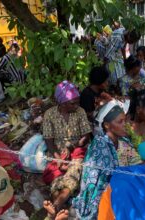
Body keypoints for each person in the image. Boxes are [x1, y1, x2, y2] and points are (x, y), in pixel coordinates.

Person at [42, 81, 91, 216]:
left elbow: (86, 135)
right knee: (55, 177)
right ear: (62, 103)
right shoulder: (49, 114)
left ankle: (56, 206)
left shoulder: (80, 112)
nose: (77, 105)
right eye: (73, 103)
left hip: (77, 150)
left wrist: (72, 147)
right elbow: (48, 140)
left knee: (74, 171)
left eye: (77, 102)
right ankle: (56, 208)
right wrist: (58, 159)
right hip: (57, 152)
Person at [73, 101, 127, 219]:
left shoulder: (123, 142)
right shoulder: (99, 147)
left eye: (125, 120)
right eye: (120, 121)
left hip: (117, 190)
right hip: (101, 198)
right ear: (107, 125)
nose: (125, 124)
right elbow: (93, 184)